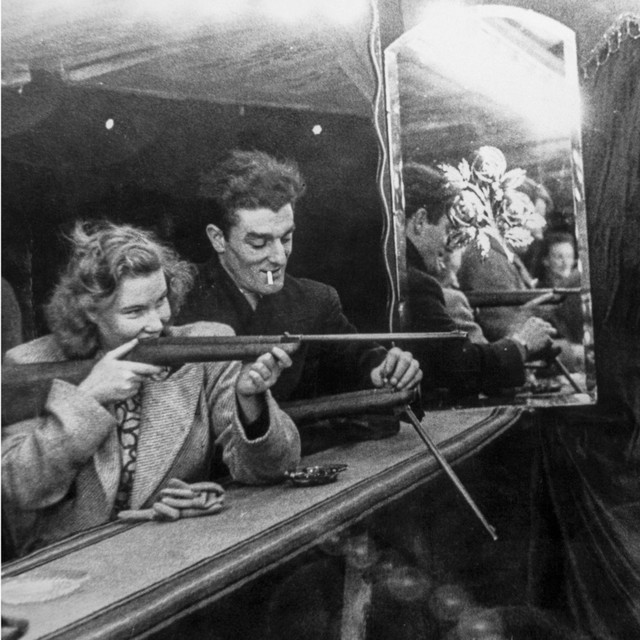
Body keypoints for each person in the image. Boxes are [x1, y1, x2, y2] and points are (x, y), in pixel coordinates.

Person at [2, 222, 301, 556]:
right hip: (65, 562)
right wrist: (88, 399)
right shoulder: (30, 364)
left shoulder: (204, 346)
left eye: (160, 301)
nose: (157, 323)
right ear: (90, 311)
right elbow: (18, 490)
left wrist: (250, 401)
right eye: (134, 311)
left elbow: (272, 468)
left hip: (173, 551)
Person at [177, 150, 422, 425]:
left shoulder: (315, 301)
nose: (279, 257)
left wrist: (385, 369)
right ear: (218, 239)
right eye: (258, 243)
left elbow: (358, 359)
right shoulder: (177, 300)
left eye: (286, 238)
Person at [402, 162, 557, 399]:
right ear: (420, 221)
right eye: (446, 227)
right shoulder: (418, 283)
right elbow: (461, 366)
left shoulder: (401, 277)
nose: (446, 240)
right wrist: (522, 343)